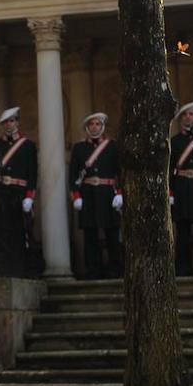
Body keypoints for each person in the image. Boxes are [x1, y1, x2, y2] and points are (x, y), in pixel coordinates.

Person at [69, 112, 122, 279]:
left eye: (97, 124)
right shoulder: (79, 148)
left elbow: (120, 172)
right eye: (91, 124)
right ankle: (93, 270)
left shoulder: (113, 146)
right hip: (88, 194)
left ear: (103, 127)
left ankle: (115, 269)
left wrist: (120, 193)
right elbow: (73, 174)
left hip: (108, 194)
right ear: (87, 128)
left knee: (112, 233)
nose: (94, 127)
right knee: (90, 235)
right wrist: (76, 196)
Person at [0, 107, 37, 276]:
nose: (9, 124)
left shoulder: (28, 146)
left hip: (19, 194)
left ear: (17, 122)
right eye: (6, 122)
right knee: (1, 232)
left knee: (19, 233)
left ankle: (20, 269)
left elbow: (33, 174)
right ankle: (3, 268)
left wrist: (29, 197)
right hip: (2, 194)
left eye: (12, 121)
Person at [169, 101, 193, 276]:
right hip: (181, 188)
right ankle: (183, 269)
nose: (188, 117)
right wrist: (171, 192)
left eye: (191, 114)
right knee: (182, 232)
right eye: (185, 114)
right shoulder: (174, 142)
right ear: (181, 118)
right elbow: (170, 170)